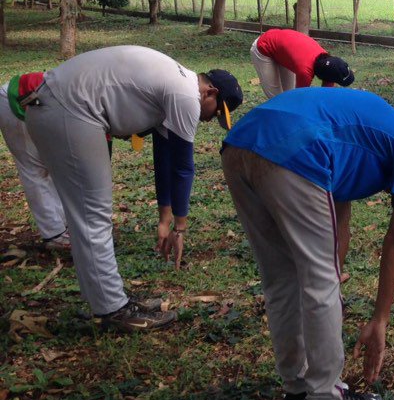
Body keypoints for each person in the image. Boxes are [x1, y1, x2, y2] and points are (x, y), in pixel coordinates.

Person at [220, 88, 394, 400]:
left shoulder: (372, 146)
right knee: (318, 278)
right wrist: (379, 319)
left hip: (242, 142)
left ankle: (297, 395)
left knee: (282, 279)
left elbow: (340, 218)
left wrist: (335, 270)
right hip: (298, 146)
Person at [23, 46, 242, 331]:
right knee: (93, 214)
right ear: (209, 92)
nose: (210, 119)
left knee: (90, 214)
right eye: (216, 113)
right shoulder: (186, 95)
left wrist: (165, 220)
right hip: (68, 108)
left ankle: (106, 300)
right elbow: (183, 166)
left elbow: (164, 159)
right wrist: (181, 228)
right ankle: (113, 309)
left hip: (60, 104)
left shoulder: (175, 85)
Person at [1, 72, 69, 250]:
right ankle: (53, 234)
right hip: (16, 100)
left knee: (54, 165)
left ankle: (64, 224)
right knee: (34, 168)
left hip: (43, 104)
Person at [251, 28, 354, 99]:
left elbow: (326, 94)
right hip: (264, 46)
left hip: (281, 47)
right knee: (277, 98)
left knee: (289, 93)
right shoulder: (305, 72)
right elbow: (300, 98)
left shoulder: (326, 60)